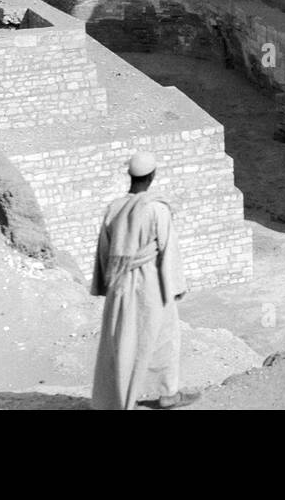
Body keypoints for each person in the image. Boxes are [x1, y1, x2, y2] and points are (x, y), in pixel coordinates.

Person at [90, 151, 198, 410]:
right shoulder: (156, 208)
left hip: (119, 284)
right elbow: (168, 249)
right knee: (163, 337)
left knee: (121, 340)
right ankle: (167, 394)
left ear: (130, 176)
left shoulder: (114, 208)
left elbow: (104, 250)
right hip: (151, 283)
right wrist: (174, 287)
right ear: (153, 175)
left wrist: (106, 283)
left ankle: (117, 399)